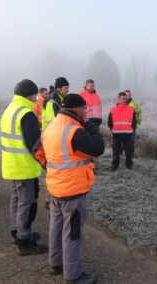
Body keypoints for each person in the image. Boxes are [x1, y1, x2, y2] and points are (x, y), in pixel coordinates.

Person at [39, 93, 104, 283]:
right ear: (76, 109)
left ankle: (55, 264)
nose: (86, 111)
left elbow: (37, 150)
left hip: (55, 187)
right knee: (72, 233)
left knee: (56, 227)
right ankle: (73, 276)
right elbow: (98, 148)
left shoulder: (51, 126)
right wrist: (90, 124)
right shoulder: (74, 130)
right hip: (73, 191)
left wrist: (51, 169)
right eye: (84, 108)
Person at [0, 79, 47, 255]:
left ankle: (17, 230)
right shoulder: (27, 113)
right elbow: (35, 145)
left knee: (16, 200)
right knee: (27, 203)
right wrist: (46, 164)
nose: (37, 98)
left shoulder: (10, 109)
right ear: (30, 94)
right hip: (24, 167)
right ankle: (24, 241)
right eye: (35, 95)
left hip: (12, 165)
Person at [108, 92, 137, 171]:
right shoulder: (113, 110)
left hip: (128, 134)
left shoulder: (131, 109)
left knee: (129, 151)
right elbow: (109, 122)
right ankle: (115, 165)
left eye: (125, 99)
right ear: (118, 99)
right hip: (116, 134)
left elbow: (134, 122)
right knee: (116, 151)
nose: (124, 100)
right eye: (122, 99)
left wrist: (131, 130)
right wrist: (113, 130)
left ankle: (129, 165)